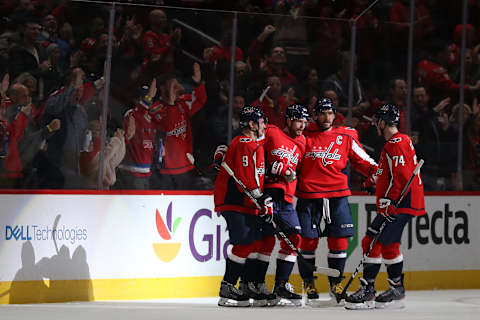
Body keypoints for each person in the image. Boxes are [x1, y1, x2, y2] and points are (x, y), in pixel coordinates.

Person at [295, 97, 378, 304]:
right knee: (308, 241)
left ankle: (336, 283)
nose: (326, 117)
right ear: (315, 115)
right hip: (309, 195)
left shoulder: (346, 135)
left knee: (339, 242)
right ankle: (308, 282)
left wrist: (380, 173)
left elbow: (363, 160)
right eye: (322, 113)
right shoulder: (303, 134)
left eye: (330, 113)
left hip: (337, 195)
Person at [345, 104, 426, 310]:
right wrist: (373, 183)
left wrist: (389, 200)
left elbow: (401, 177)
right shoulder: (397, 142)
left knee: (371, 241)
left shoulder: (395, 143)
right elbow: (388, 172)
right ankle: (397, 288)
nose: (375, 126)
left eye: (377, 122)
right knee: (389, 245)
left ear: (383, 122)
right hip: (400, 202)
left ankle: (368, 290)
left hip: (400, 204)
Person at [214, 106, 272, 307]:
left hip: (246, 202)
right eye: (262, 122)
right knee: (245, 244)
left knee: (255, 244)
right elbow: (246, 178)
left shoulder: (250, 144)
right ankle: (227, 287)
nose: (265, 125)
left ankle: (247, 285)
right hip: (235, 201)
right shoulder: (245, 144)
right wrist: (262, 199)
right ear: (252, 124)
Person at [261, 103, 308, 306]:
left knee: (295, 236)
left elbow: (296, 170)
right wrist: (270, 169)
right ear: (288, 120)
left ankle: (281, 285)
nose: (302, 125)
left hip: (287, 198)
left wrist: (289, 173)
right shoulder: (271, 132)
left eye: (305, 121)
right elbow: (254, 151)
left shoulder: (303, 142)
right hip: (268, 193)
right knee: (263, 241)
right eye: (298, 120)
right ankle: (253, 283)